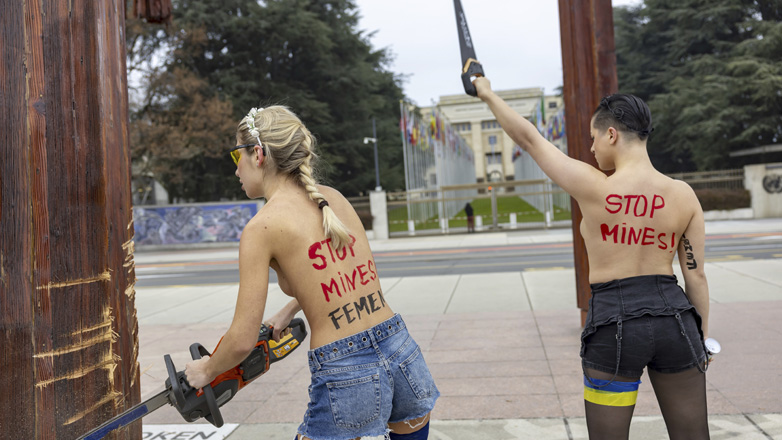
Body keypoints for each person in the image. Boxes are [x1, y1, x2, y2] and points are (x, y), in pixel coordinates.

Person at [474, 78, 711, 440]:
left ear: (612, 134)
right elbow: (696, 277)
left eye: (594, 137)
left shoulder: (596, 186)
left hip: (614, 322)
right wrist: (702, 341)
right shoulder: (683, 195)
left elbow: (529, 139)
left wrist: (487, 93)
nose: (591, 146)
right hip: (675, 320)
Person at [184, 106, 439, 440]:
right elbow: (347, 277)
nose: (236, 170)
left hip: (347, 368)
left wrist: (206, 369)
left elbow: (243, 340)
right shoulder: (332, 199)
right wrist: (288, 310)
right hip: (399, 346)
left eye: (237, 157)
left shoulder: (261, 227)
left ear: (258, 154)